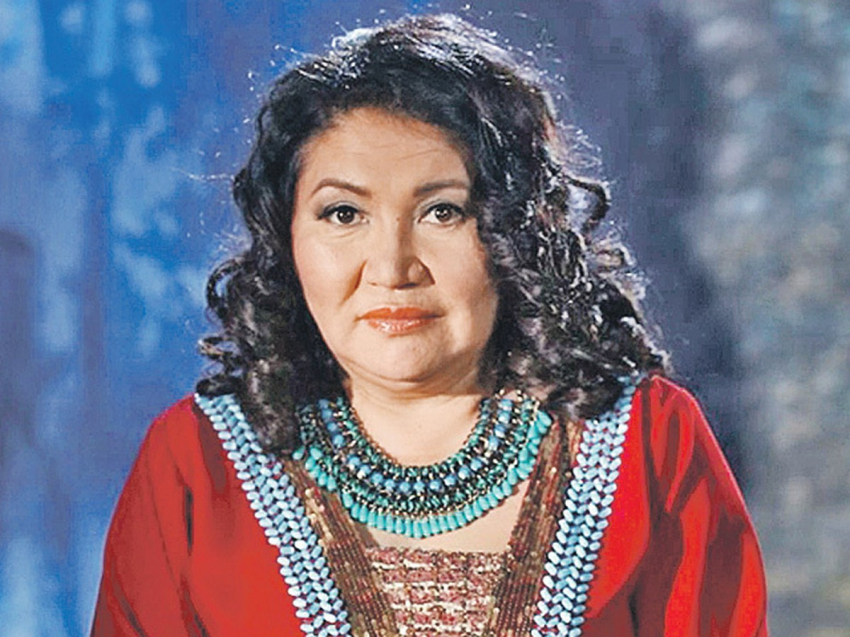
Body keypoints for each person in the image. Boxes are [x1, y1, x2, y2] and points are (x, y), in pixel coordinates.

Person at [91, 13, 768, 636]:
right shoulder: (195, 464)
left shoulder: (647, 442)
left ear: (514, 231)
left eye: (442, 212)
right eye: (344, 214)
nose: (392, 267)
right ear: (286, 239)